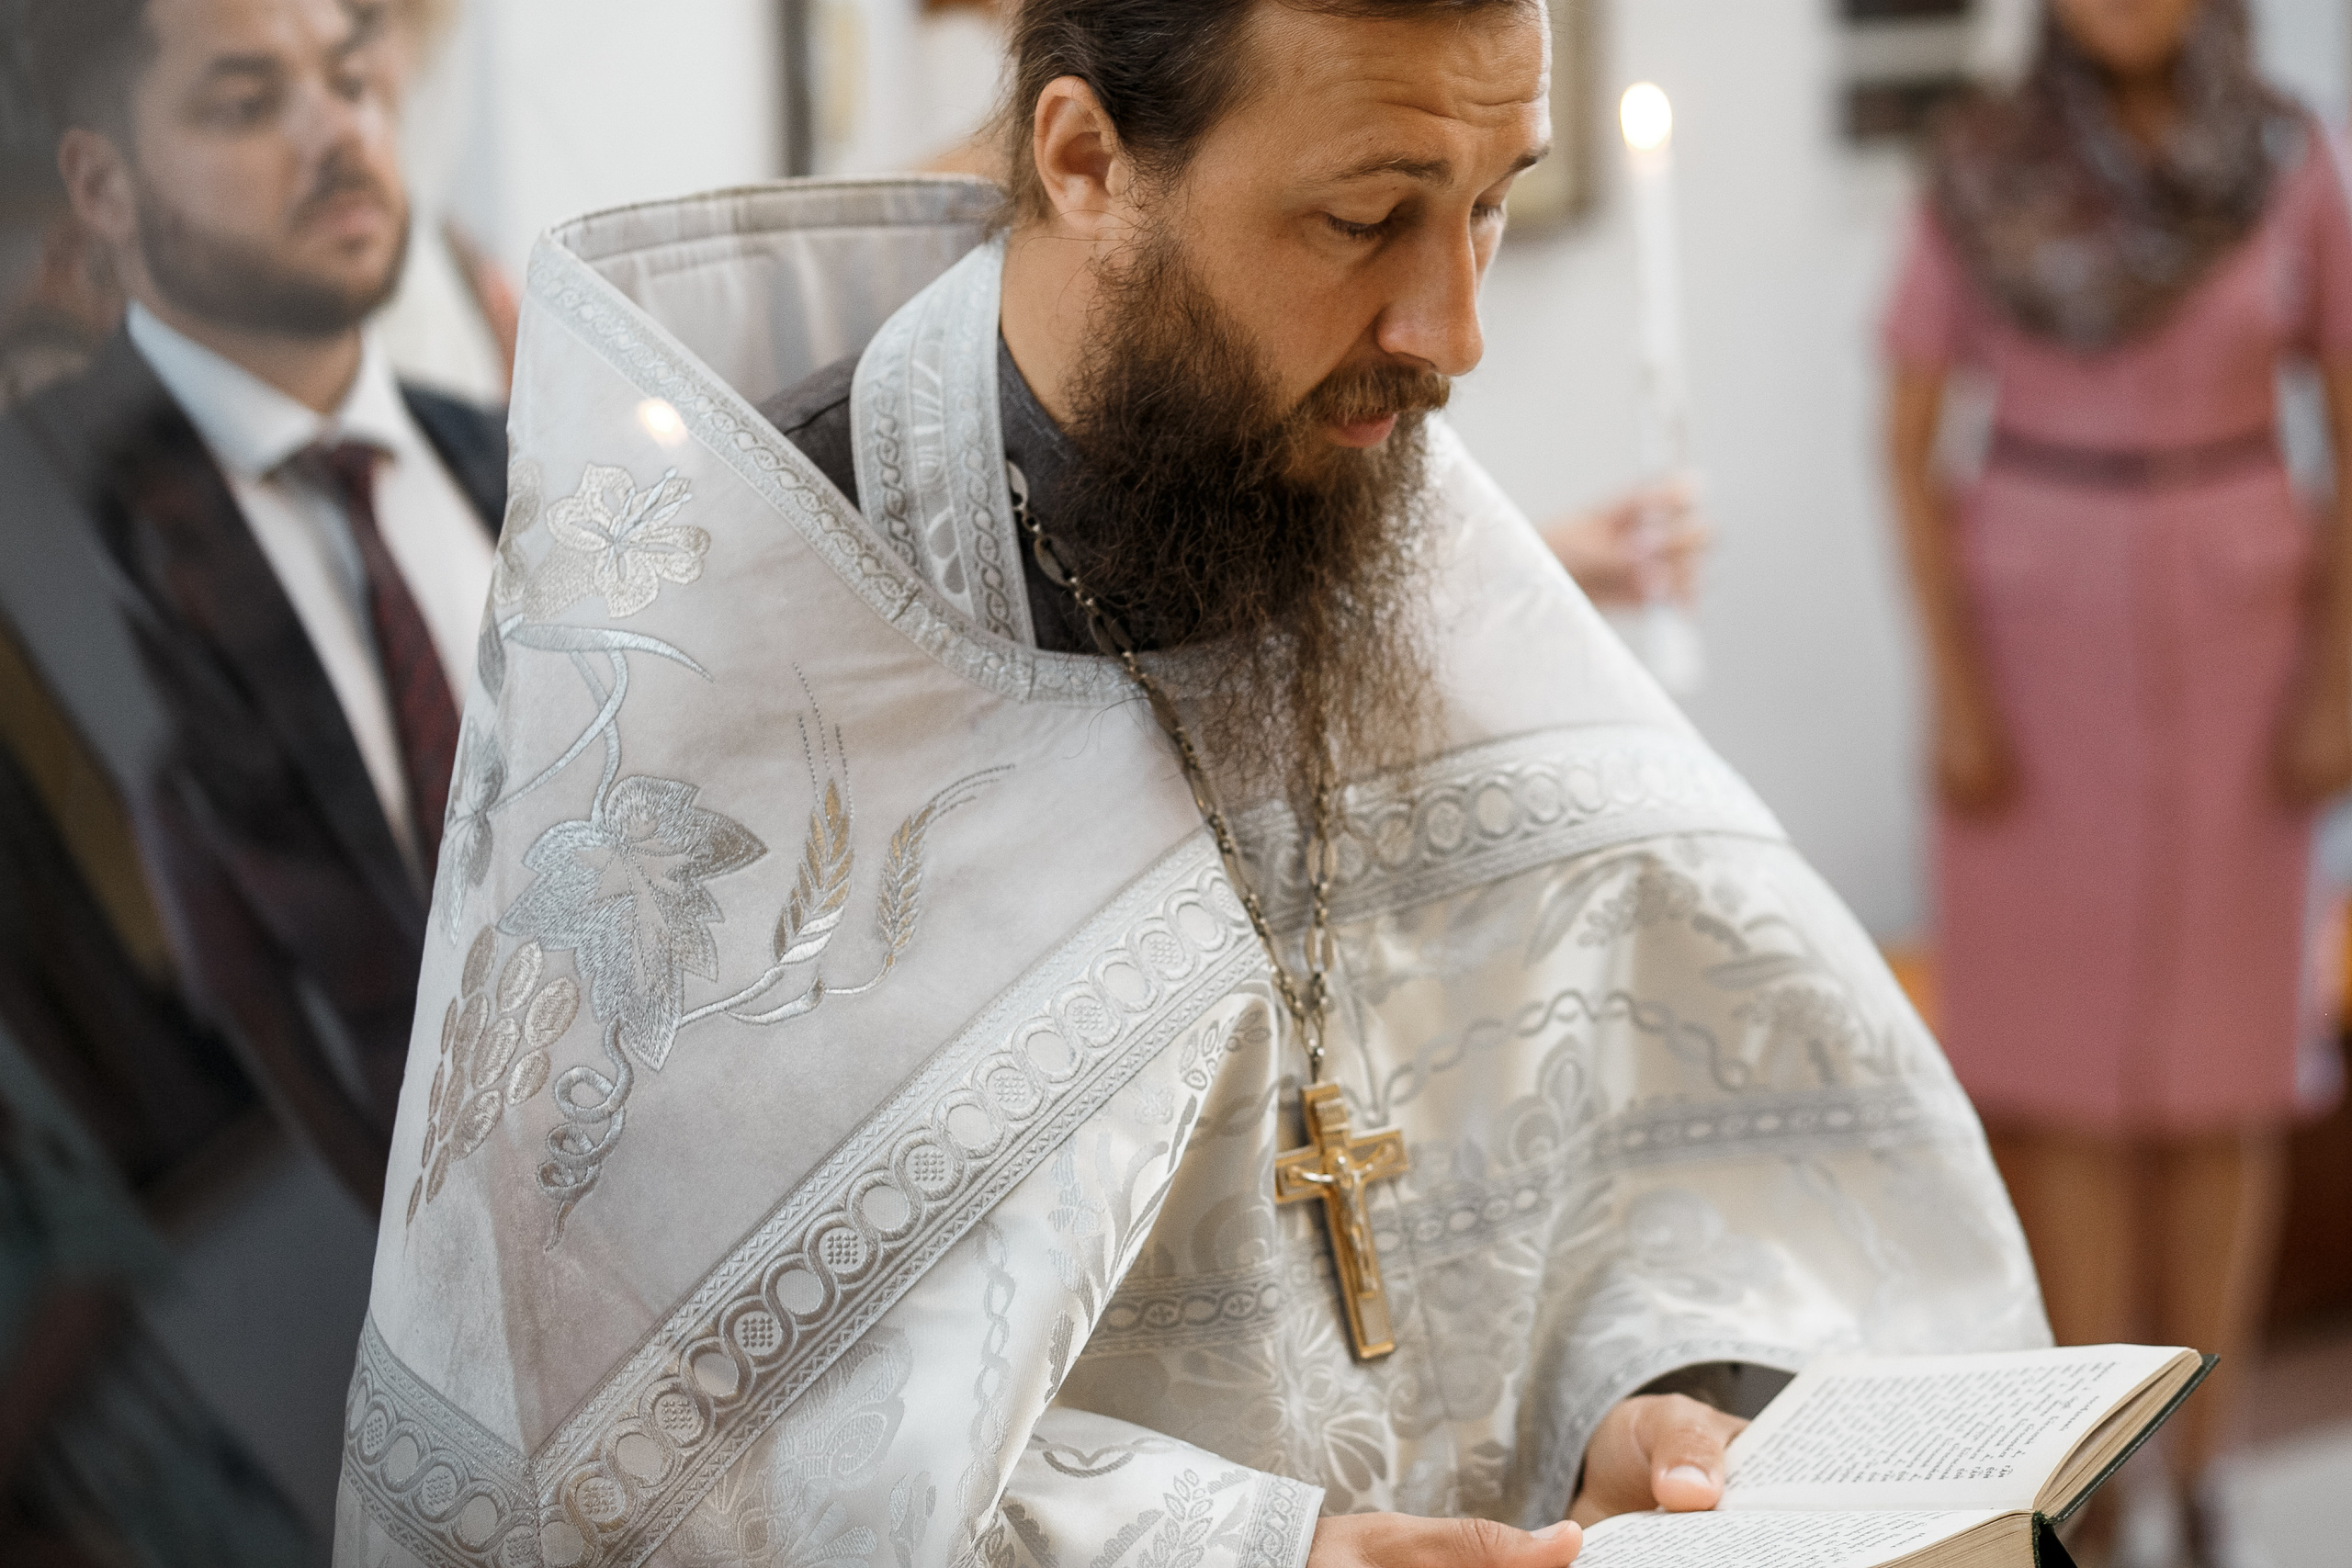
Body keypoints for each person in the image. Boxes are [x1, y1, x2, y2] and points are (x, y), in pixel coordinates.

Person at [340, 3, 2043, 1566]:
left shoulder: (1361, 487)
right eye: (1367, 219)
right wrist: (1241, 1553)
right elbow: (617, 1442)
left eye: (1492, 201)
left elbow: (1661, 1141)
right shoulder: (747, 648)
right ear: (1086, 159)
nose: (1454, 335)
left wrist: (1652, 1413)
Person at [1882, 0, 2352, 1559]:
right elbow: (1906, 437)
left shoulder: (2288, 160)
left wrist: (2338, 676)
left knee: (2228, 1080)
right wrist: (1952, 690)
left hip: (2245, 641)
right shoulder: (1982, 165)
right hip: (2035, 646)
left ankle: (2207, 1469)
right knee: (2066, 1094)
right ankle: (2093, 1472)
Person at [11, 0, 509, 1211]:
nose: (336, 131)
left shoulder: (520, 459)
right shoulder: (84, 552)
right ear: (106, 189)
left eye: (349, 79)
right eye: (245, 104)